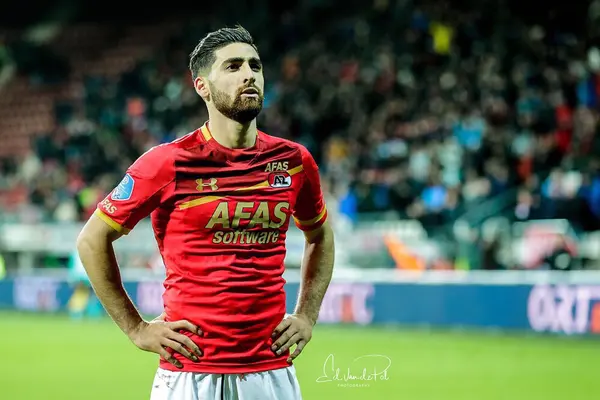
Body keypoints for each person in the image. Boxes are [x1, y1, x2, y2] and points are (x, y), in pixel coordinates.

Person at [76, 25, 335, 400]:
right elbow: (91, 240)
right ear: (202, 87)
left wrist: (307, 315)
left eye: (255, 65)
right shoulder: (167, 163)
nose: (249, 74)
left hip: (271, 370)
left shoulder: (294, 161)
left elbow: (320, 235)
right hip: (190, 373)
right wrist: (136, 328)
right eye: (233, 66)